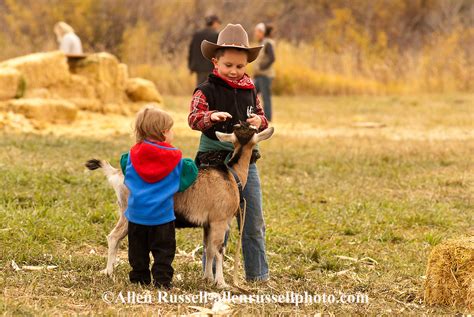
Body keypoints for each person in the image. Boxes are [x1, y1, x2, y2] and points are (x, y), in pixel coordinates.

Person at [188, 24, 270, 282]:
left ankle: (258, 275)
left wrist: (259, 122)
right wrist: (210, 117)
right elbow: (193, 118)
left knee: (253, 220)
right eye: (228, 65)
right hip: (214, 164)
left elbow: (262, 118)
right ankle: (210, 273)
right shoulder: (206, 89)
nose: (234, 71)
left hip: (245, 164)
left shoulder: (250, 90)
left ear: (246, 64)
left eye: (240, 66)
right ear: (216, 61)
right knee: (217, 220)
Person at [120, 106, 198, 288]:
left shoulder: (131, 156)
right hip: (162, 218)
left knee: (137, 252)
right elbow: (188, 175)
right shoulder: (176, 161)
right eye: (171, 130)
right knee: (164, 252)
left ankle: (139, 278)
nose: (172, 133)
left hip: (136, 217)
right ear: (163, 133)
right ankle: (162, 281)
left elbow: (125, 165)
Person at [188, 15, 221, 85]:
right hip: (212, 67)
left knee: (200, 89)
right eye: (218, 23)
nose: (218, 25)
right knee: (212, 89)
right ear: (214, 23)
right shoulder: (216, 35)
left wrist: (191, 66)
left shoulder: (197, 34)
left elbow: (191, 51)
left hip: (199, 68)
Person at [253, 23, 276, 121]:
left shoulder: (268, 43)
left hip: (265, 76)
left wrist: (262, 67)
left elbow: (272, 58)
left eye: (257, 32)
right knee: (252, 94)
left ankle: (268, 118)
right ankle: (251, 114)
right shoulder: (262, 42)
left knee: (266, 97)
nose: (256, 34)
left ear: (262, 32)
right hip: (259, 75)